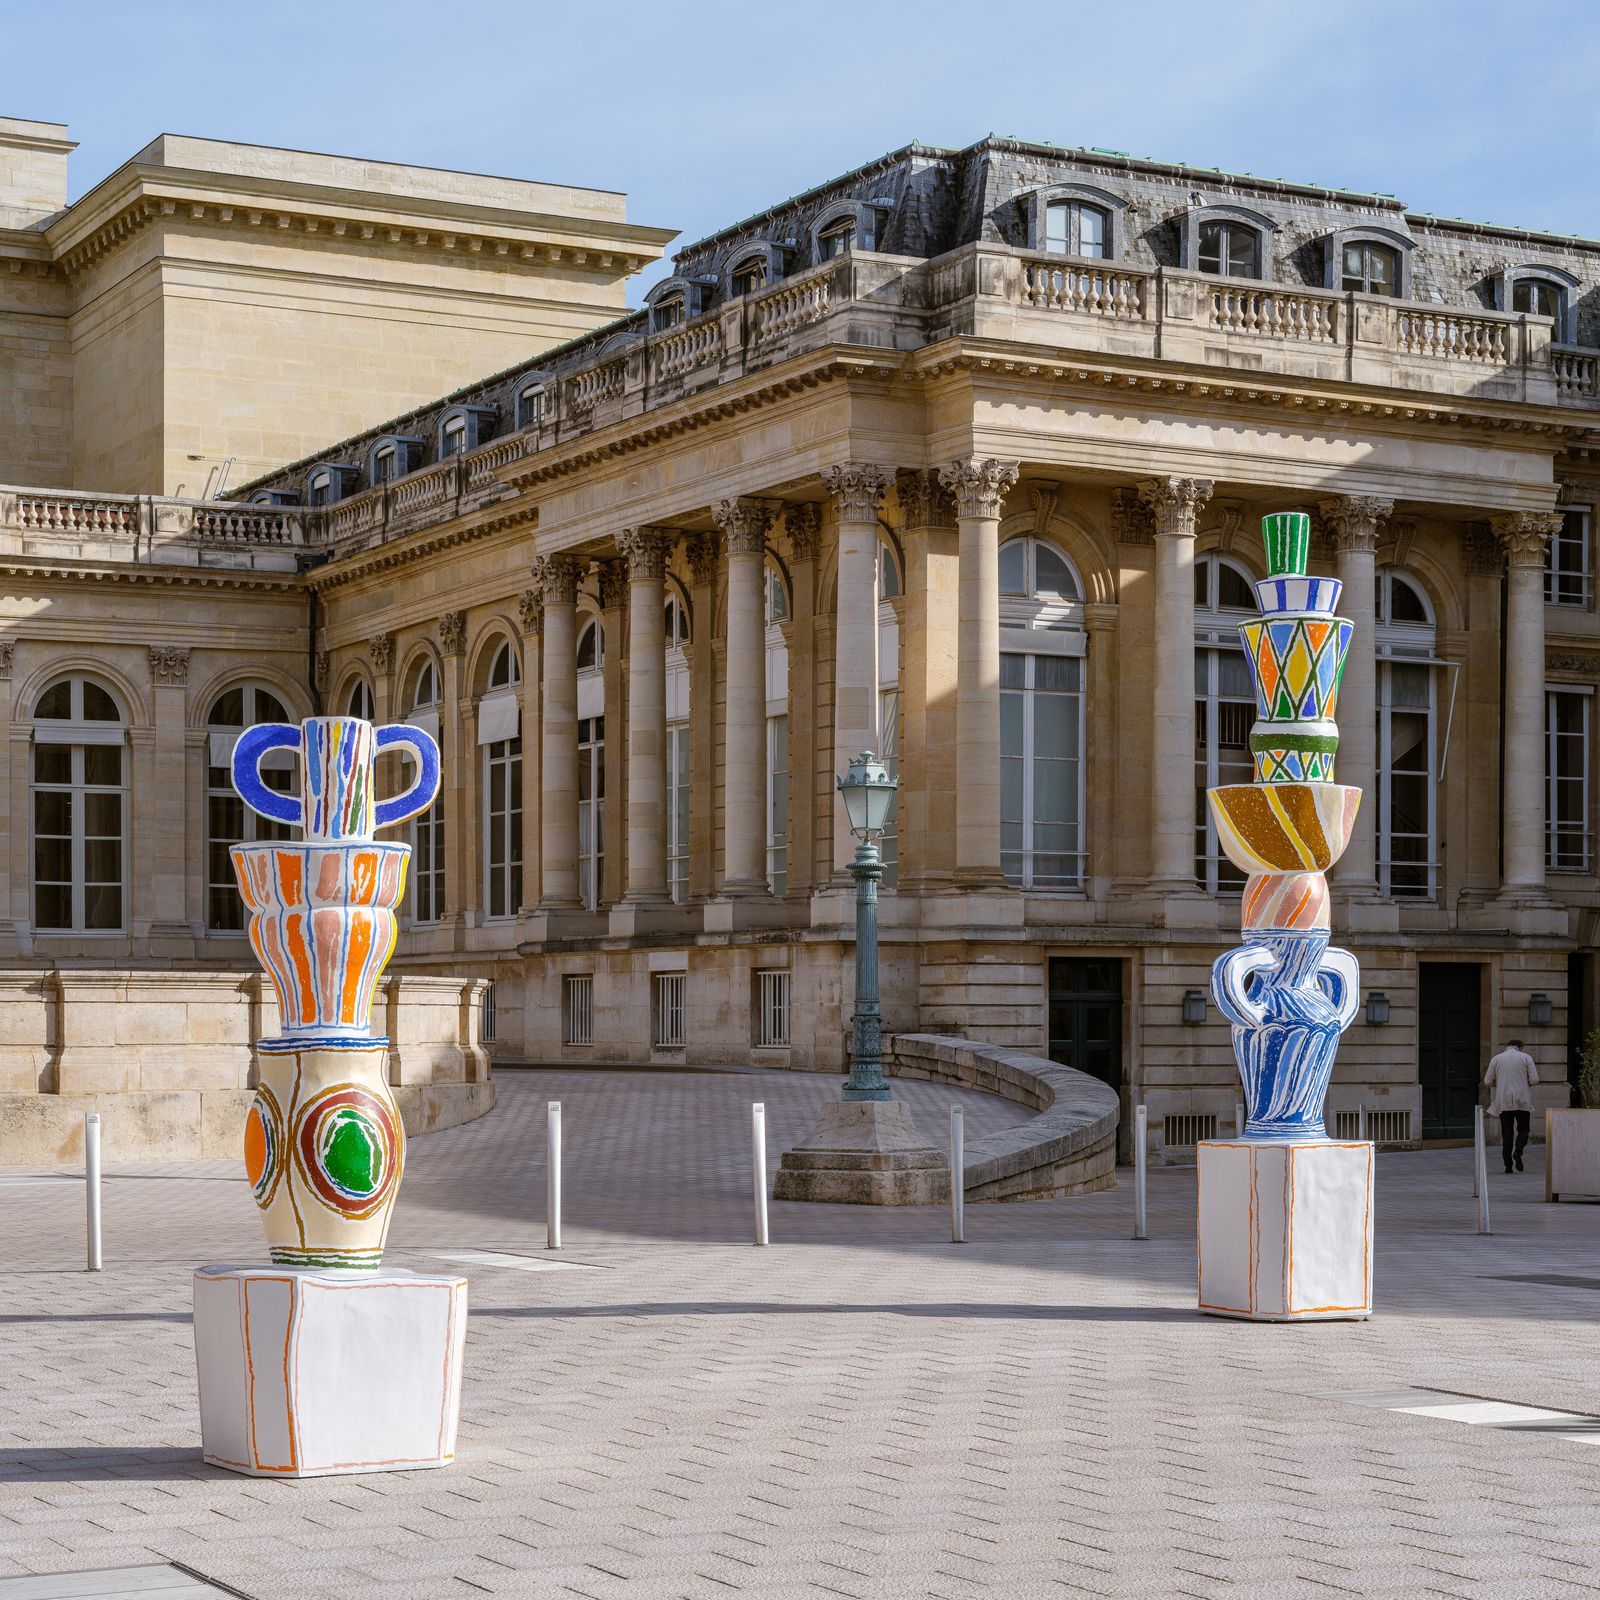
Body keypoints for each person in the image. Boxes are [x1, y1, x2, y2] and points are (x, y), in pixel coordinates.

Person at [1484, 1039, 1539, 1174]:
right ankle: (1518, 1151)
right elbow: (1534, 1079)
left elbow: (1487, 1081)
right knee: (1524, 1129)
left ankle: (1508, 1166)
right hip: (1522, 1099)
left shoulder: (1497, 1059)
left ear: (1507, 1046)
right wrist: (1526, 1083)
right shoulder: (1526, 1057)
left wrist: (1497, 1084)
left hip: (1504, 1100)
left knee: (1507, 1133)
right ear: (1520, 1046)